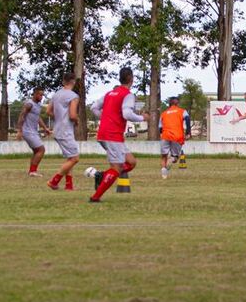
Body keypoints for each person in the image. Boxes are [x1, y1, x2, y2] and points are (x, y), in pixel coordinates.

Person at [88, 67, 149, 202]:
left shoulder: (110, 93)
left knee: (131, 162)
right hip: (112, 135)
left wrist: (106, 118)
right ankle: (95, 197)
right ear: (131, 79)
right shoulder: (127, 94)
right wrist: (142, 118)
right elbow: (127, 114)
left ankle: (102, 176)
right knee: (116, 169)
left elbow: (93, 107)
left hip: (105, 133)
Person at [47, 74, 81, 190]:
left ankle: (69, 185)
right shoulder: (73, 96)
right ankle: (54, 181)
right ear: (73, 82)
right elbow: (72, 115)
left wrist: (59, 117)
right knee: (75, 158)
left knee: (70, 158)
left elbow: (48, 111)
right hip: (66, 130)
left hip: (57, 129)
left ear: (63, 82)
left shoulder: (56, 95)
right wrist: (76, 120)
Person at [16, 87, 53, 177]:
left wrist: (45, 128)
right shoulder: (29, 104)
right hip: (27, 131)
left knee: (36, 151)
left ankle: (31, 171)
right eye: (40, 95)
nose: (41, 97)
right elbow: (22, 116)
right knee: (41, 149)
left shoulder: (38, 105)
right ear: (35, 94)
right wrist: (19, 131)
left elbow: (38, 118)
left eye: (42, 95)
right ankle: (32, 171)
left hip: (33, 131)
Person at [158, 96, 190, 179]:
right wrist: (188, 132)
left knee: (163, 155)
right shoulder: (182, 111)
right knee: (175, 158)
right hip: (177, 136)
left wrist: (162, 134)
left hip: (165, 135)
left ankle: (163, 173)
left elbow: (160, 127)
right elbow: (187, 119)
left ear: (169, 104)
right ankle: (171, 160)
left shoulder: (163, 113)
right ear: (177, 103)